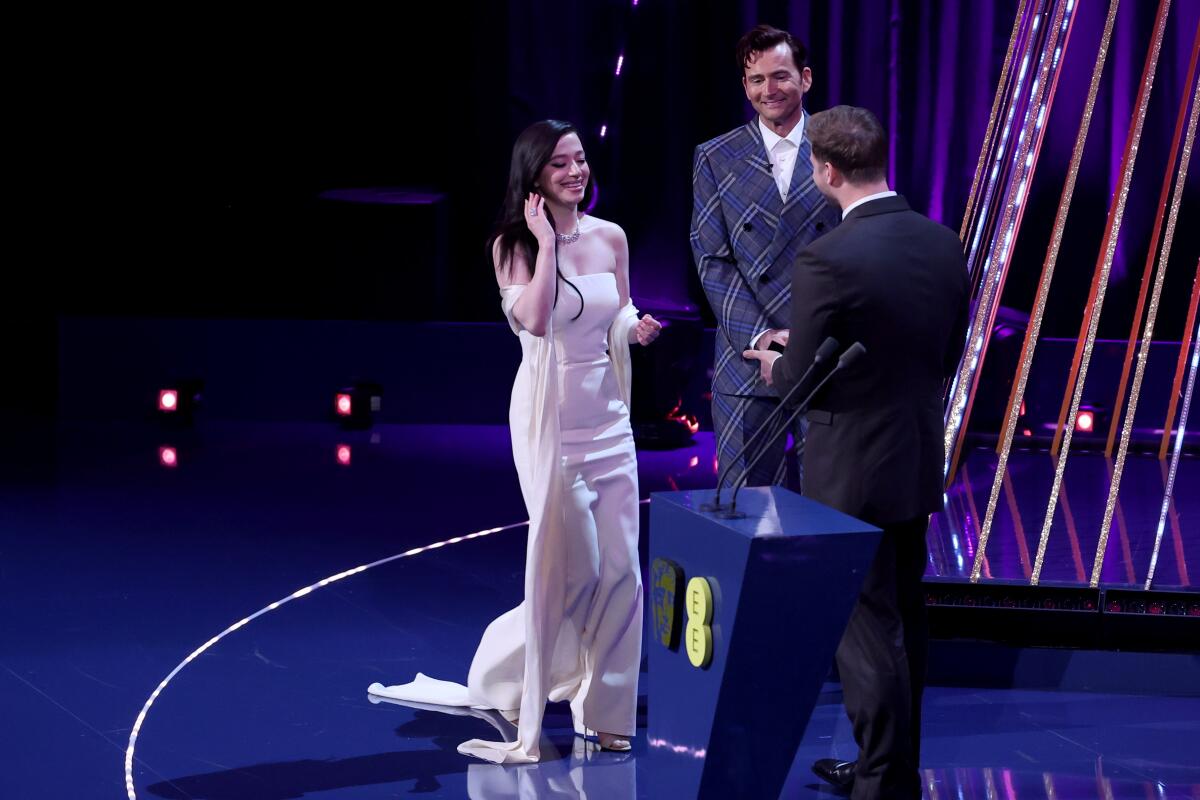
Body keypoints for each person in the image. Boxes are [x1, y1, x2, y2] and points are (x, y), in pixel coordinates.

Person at [369, 119, 661, 765]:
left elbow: (614, 306)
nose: (576, 172)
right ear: (533, 177)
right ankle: (502, 676)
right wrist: (546, 243)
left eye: (580, 160)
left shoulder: (611, 235)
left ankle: (606, 712)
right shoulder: (513, 244)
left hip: (610, 419)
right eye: (560, 164)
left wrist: (632, 325)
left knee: (622, 570)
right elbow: (531, 319)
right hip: (549, 420)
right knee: (570, 567)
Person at [743, 106, 970, 799]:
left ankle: (882, 781)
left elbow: (804, 379)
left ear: (827, 171)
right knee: (905, 614)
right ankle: (891, 764)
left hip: (851, 467)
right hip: (915, 452)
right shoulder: (941, 241)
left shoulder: (827, 258)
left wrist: (773, 361)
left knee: (865, 627)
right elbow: (946, 350)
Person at [691, 24, 839, 489]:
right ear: (745, 86)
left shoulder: (839, 148)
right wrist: (763, 336)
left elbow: (858, 250)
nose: (768, 90)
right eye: (756, 80)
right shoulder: (716, 157)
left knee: (831, 508)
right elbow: (711, 259)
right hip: (747, 356)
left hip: (824, 351)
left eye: (780, 76)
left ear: (806, 78)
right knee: (745, 512)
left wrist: (809, 332)